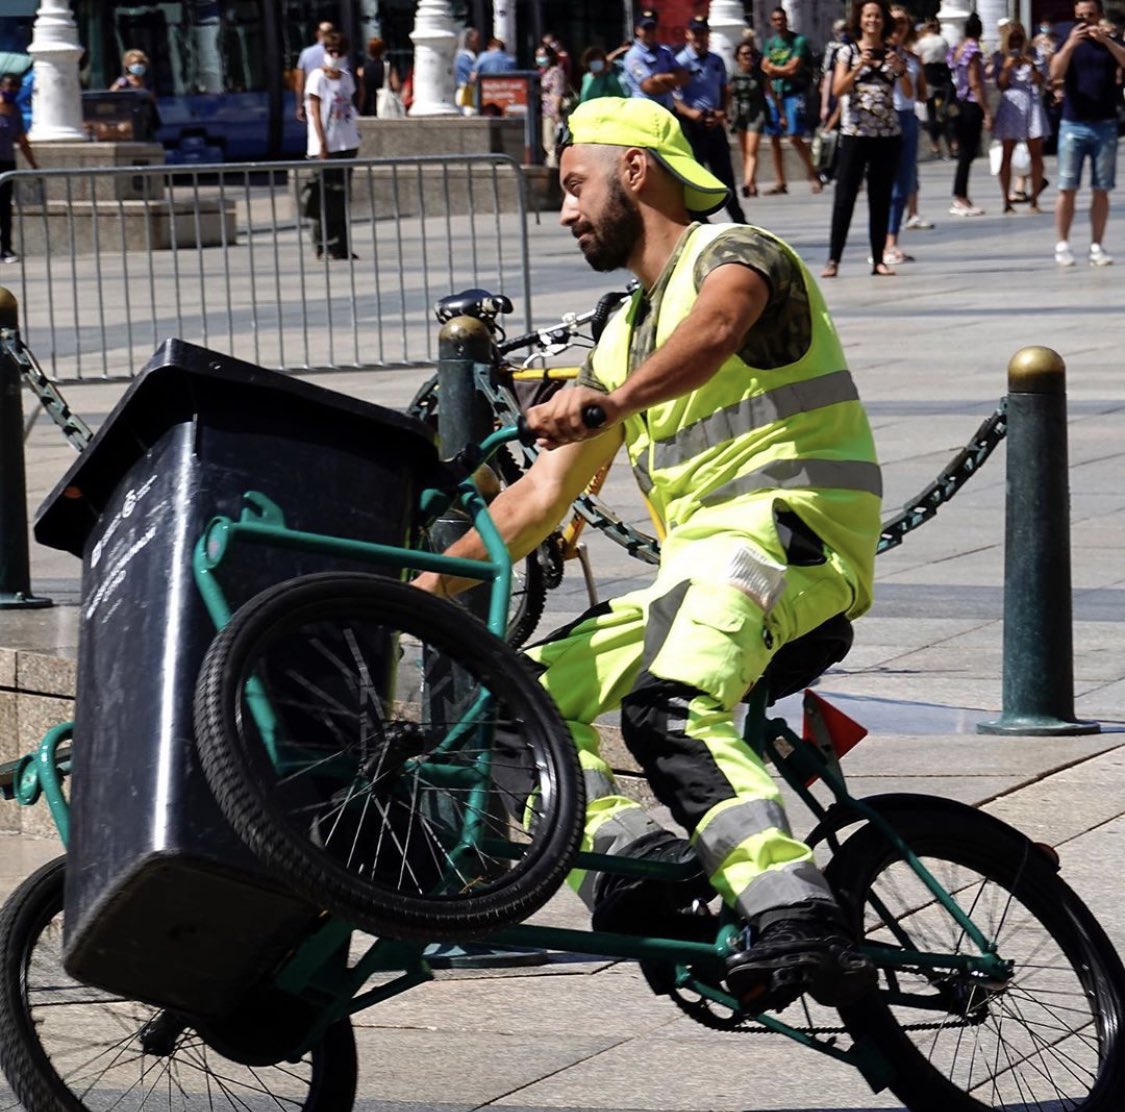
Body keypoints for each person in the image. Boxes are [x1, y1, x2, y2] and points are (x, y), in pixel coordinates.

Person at [414, 94, 881, 1012]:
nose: (563, 210)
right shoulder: (623, 329)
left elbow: (718, 328)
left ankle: (795, 912)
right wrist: (420, 588)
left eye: (573, 184)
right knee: (516, 704)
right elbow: (540, 495)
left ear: (634, 170)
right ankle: (641, 865)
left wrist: (609, 405)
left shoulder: (739, 254)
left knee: (670, 710)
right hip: (697, 571)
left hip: (786, 538)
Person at [822, 0, 904, 277]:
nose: (873, 21)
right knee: (845, 196)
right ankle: (834, 259)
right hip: (855, 134)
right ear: (860, 20)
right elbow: (838, 90)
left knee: (880, 197)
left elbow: (912, 93)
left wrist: (901, 69)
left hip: (887, 134)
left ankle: (879, 258)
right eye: (868, 16)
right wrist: (859, 67)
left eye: (878, 16)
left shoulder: (893, 52)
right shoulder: (847, 51)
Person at [1050, 0, 1125, 266]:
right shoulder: (1068, 42)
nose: (1085, 21)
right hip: (1073, 124)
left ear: (1100, 15)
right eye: (1080, 16)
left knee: (1101, 188)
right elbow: (1054, 72)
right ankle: (1062, 244)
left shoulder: (1110, 42)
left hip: (1104, 124)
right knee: (1066, 187)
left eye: (1090, 15)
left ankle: (1097, 245)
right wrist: (1070, 44)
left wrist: (1108, 42)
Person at [674, 18, 747, 222]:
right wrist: (690, 113)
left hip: (714, 121)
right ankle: (699, 219)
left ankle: (738, 218)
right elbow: (674, 97)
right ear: (688, 35)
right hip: (693, 123)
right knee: (696, 174)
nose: (699, 38)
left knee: (725, 174)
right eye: (695, 33)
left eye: (703, 33)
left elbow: (725, 89)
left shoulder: (716, 60)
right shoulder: (681, 62)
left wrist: (722, 112)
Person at [304, 31, 360, 261]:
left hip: (347, 143)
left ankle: (341, 246)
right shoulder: (317, 78)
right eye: (330, 51)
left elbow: (353, 102)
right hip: (325, 147)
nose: (334, 55)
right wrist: (322, 143)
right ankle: (322, 244)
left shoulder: (346, 77)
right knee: (323, 197)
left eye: (338, 52)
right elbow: (315, 113)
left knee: (340, 197)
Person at [761, 7, 823, 194]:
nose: (779, 22)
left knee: (795, 135)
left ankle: (813, 174)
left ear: (786, 20)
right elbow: (764, 66)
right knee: (773, 137)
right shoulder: (770, 43)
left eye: (781, 19)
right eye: (775, 19)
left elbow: (793, 68)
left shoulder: (798, 41)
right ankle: (780, 181)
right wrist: (777, 69)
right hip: (774, 93)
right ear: (772, 22)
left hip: (793, 92)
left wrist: (774, 69)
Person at [884, 6, 927, 264]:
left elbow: (919, 94)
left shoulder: (912, 58)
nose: (899, 27)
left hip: (907, 117)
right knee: (883, 184)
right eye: (895, 22)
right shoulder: (877, 55)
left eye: (904, 23)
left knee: (903, 183)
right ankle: (880, 241)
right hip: (884, 118)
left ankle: (892, 241)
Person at [992, 21, 1050, 214]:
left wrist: (1032, 66)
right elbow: (1000, 85)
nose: (1016, 43)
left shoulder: (1032, 54)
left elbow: (1042, 81)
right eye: (1012, 39)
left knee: (1036, 154)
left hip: (1031, 102)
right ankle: (1005, 201)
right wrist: (1007, 68)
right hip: (1011, 104)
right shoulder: (1000, 56)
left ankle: (1034, 200)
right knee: (1007, 153)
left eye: (1019, 38)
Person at [948, 13, 991, 216]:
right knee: (968, 153)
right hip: (971, 103)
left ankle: (961, 194)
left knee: (965, 153)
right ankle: (960, 196)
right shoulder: (973, 49)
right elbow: (975, 81)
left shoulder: (957, 48)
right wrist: (987, 111)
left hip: (958, 101)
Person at [0, 72, 36, 264]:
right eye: (8, 87)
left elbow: (22, 141)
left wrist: (33, 165)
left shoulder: (15, 112)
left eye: (15, 88)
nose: (11, 91)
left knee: (5, 209)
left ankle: (6, 248)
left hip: (6, 163)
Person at [620, 9, 687, 110]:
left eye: (653, 28)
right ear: (638, 30)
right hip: (645, 111)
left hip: (667, 110)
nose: (650, 32)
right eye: (646, 28)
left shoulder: (665, 52)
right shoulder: (633, 55)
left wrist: (659, 78)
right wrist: (671, 83)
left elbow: (684, 77)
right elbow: (649, 86)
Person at [729, 34, 770, 197]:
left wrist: (780, 114)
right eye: (744, 54)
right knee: (745, 151)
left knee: (752, 150)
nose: (748, 57)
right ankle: (752, 184)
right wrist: (724, 114)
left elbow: (771, 94)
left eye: (751, 54)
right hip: (739, 114)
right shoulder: (733, 74)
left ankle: (746, 183)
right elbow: (727, 95)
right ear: (738, 57)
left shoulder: (760, 75)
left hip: (756, 112)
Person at [296, 22, 349, 123]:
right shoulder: (339, 53)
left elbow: (299, 84)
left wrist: (299, 106)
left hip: (312, 100)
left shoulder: (306, 54)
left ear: (318, 33)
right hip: (335, 102)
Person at [915, 19, 954, 158]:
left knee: (931, 112)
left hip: (929, 76)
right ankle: (953, 144)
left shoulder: (922, 42)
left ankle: (935, 144)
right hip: (943, 75)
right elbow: (948, 56)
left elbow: (918, 59)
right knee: (947, 111)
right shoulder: (943, 41)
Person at [536, 42, 569, 168]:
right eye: (538, 55)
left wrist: (556, 111)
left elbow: (558, 92)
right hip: (543, 111)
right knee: (547, 143)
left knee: (551, 144)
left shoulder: (556, 72)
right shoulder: (542, 72)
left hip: (551, 112)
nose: (540, 58)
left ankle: (553, 170)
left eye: (543, 55)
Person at [454, 27, 481, 115]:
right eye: (475, 39)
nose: (478, 42)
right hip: (466, 92)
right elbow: (472, 75)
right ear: (468, 39)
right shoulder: (465, 56)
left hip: (467, 91)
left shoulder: (461, 55)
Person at [358, 36, 387, 117]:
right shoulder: (387, 66)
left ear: (369, 50)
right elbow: (396, 85)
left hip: (368, 105)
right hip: (384, 104)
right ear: (383, 50)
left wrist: (360, 107)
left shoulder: (363, 68)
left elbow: (362, 91)